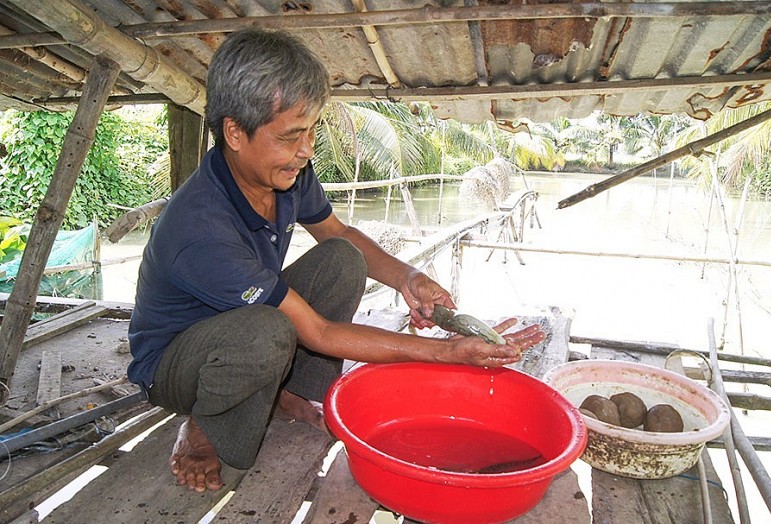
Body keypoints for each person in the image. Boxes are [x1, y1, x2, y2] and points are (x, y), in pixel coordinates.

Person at [127, 28, 546, 493]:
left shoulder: (285, 171)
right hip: (177, 365)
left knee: (342, 258)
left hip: (243, 322)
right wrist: (449, 353)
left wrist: (408, 278)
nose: (306, 150)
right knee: (269, 330)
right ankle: (205, 424)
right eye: (290, 136)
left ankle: (289, 393)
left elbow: (339, 233)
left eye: (310, 132)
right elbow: (319, 332)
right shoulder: (199, 228)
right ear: (234, 132)